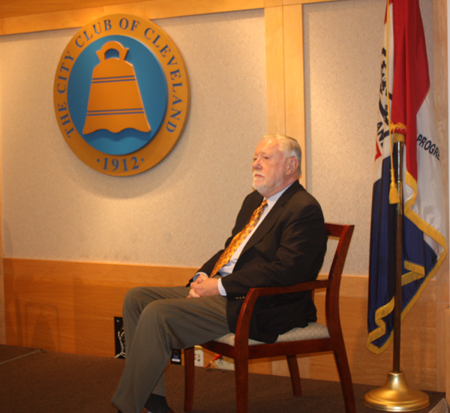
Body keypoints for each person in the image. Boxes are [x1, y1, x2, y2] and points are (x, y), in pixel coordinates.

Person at [112, 134, 327, 413]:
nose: (256, 164)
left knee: (157, 313)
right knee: (137, 298)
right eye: (254, 158)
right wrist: (201, 277)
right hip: (228, 291)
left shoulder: (304, 209)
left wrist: (221, 286)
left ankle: (126, 407)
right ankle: (153, 399)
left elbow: (285, 272)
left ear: (290, 165)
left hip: (260, 304)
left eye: (266, 158)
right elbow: (231, 249)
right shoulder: (254, 201)